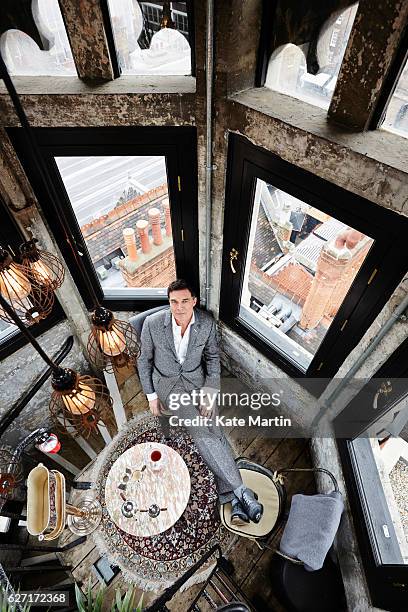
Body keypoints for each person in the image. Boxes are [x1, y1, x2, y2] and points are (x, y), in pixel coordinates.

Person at [138, 279, 263, 525]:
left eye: (185, 301)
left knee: (214, 429)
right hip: (168, 385)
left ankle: (231, 499)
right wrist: (151, 396)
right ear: (169, 302)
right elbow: (143, 361)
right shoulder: (152, 324)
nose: (179, 307)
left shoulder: (206, 323)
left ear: (193, 301)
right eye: (174, 301)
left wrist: (210, 390)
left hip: (198, 382)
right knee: (198, 428)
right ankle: (242, 492)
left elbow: (213, 359)